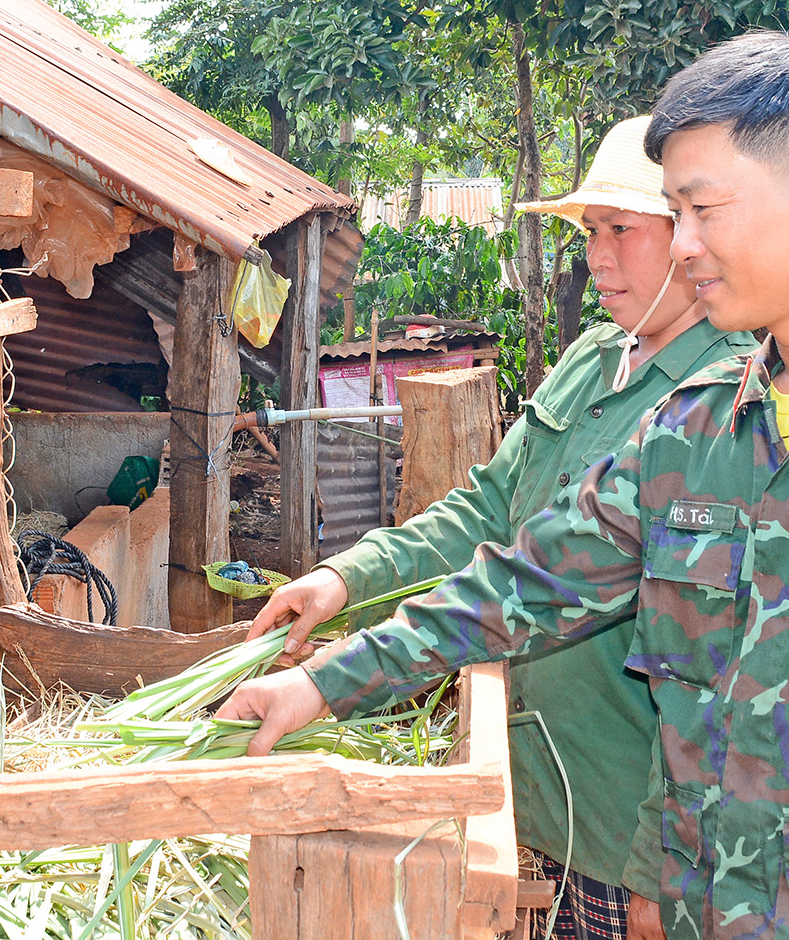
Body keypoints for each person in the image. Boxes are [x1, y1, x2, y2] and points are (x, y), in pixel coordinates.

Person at [221, 32, 789, 940]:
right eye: (676, 212)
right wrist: (328, 681)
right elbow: (524, 582)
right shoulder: (697, 426)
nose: (687, 244)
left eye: (704, 210)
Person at [247, 116, 754, 940]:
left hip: (621, 826)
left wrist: (663, 862)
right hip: (531, 793)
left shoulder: (721, 401)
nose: (597, 255)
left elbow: (711, 668)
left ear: (689, 235)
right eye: (591, 232)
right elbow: (486, 509)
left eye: (622, 230)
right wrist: (348, 576)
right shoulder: (595, 356)